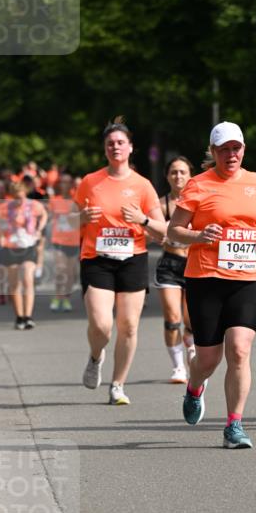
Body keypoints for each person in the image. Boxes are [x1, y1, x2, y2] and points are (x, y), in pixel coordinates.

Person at [167, 121, 256, 448]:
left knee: (240, 350)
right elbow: (174, 231)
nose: (232, 154)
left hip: (246, 277)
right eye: (225, 149)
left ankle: (234, 425)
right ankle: (195, 387)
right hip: (206, 278)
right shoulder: (198, 185)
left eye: (237, 148)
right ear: (213, 152)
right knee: (208, 359)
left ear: (243, 150)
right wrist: (199, 235)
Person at [75, 116, 166, 405]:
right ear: (105, 150)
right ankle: (95, 355)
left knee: (128, 326)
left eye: (120, 142)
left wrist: (142, 219)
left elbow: (163, 230)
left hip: (132, 259)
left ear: (130, 148)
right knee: (102, 325)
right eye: (110, 143)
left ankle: (117, 384)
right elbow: (65, 226)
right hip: (97, 259)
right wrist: (80, 219)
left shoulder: (142, 185)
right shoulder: (90, 182)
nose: (115, 147)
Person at [154, 156, 196, 383]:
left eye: (182, 172)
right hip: (170, 264)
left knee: (191, 321)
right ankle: (178, 367)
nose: (178, 176)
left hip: (194, 265)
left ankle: (190, 347)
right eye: (173, 172)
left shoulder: (198, 203)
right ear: (167, 176)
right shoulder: (162, 205)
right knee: (172, 318)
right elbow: (153, 231)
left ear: (190, 175)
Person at [1, 180, 48, 329]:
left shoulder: (34, 205)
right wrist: (2, 234)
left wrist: (39, 229)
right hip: (12, 246)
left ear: (25, 194)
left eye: (20, 197)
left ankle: (28, 317)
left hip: (28, 245)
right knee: (15, 284)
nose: (18, 201)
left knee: (28, 279)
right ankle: (19, 317)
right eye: (15, 197)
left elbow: (44, 215)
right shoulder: (6, 208)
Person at [48, 173, 80, 311]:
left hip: (74, 242)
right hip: (58, 241)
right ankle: (57, 297)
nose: (64, 185)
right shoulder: (54, 200)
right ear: (59, 185)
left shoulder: (77, 201)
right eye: (62, 182)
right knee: (60, 270)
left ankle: (66, 298)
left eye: (67, 182)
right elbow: (48, 218)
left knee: (71, 273)